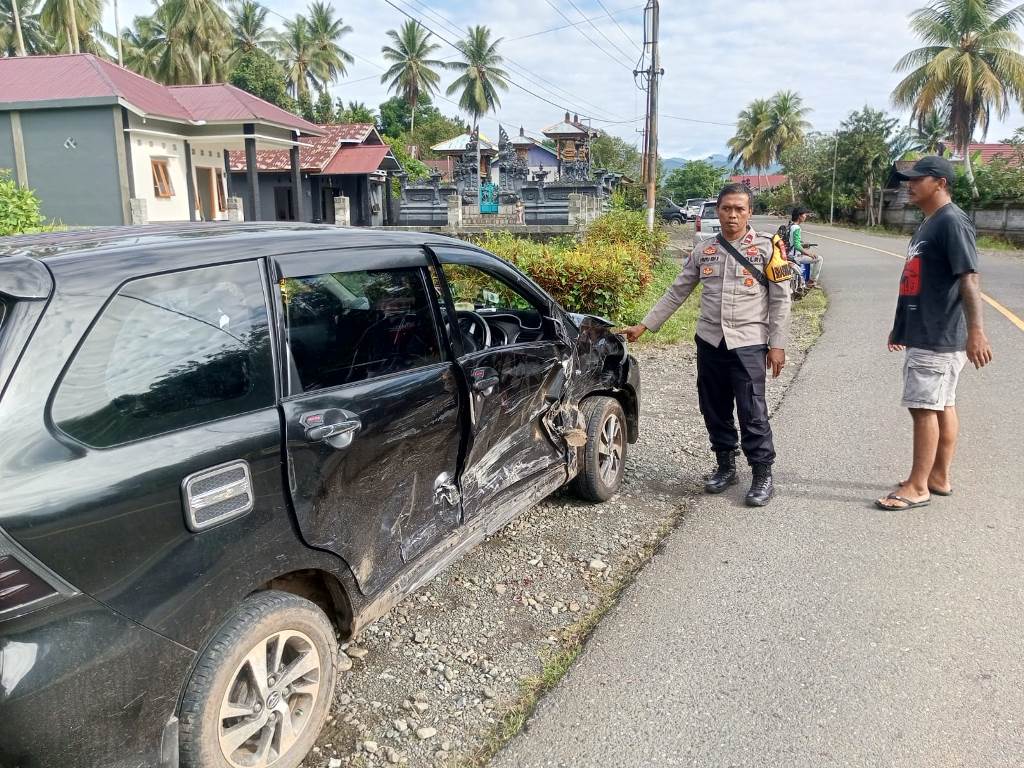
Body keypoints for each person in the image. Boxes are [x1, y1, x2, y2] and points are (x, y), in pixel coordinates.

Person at [620, 183, 792, 506]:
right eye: (726, 208)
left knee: (752, 410)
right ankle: (726, 466)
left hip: (749, 343)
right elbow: (677, 291)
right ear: (718, 211)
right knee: (714, 407)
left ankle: (762, 473)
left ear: (750, 212)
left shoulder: (767, 249)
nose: (732, 215)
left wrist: (778, 344)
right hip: (711, 342)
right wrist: (645, 325)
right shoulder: (705, 250)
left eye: (739, 209)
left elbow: (781, 299)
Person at [876, 155, 993, 511]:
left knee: (923, 407)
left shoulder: (951, 221)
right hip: (925, 328)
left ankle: (918, 487)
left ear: (940, 183)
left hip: (938, 333)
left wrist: (976, 331)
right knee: (941, 404)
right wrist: (901, 327)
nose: (909, 185)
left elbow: (968, 277)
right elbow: (916, 280)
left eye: (917, 179)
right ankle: (938, 477)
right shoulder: (931, 222)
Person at [786, 206, 822, 287]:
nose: (806, 216)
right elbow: (797, 246)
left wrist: (804, 245)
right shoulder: (797, 228)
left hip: (787, 254)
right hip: (794, 257)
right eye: (805, 214)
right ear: (799, 216)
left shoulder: (790, 226)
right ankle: (812, 281)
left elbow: (792, 242)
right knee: (819, 259)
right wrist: (809, 254)